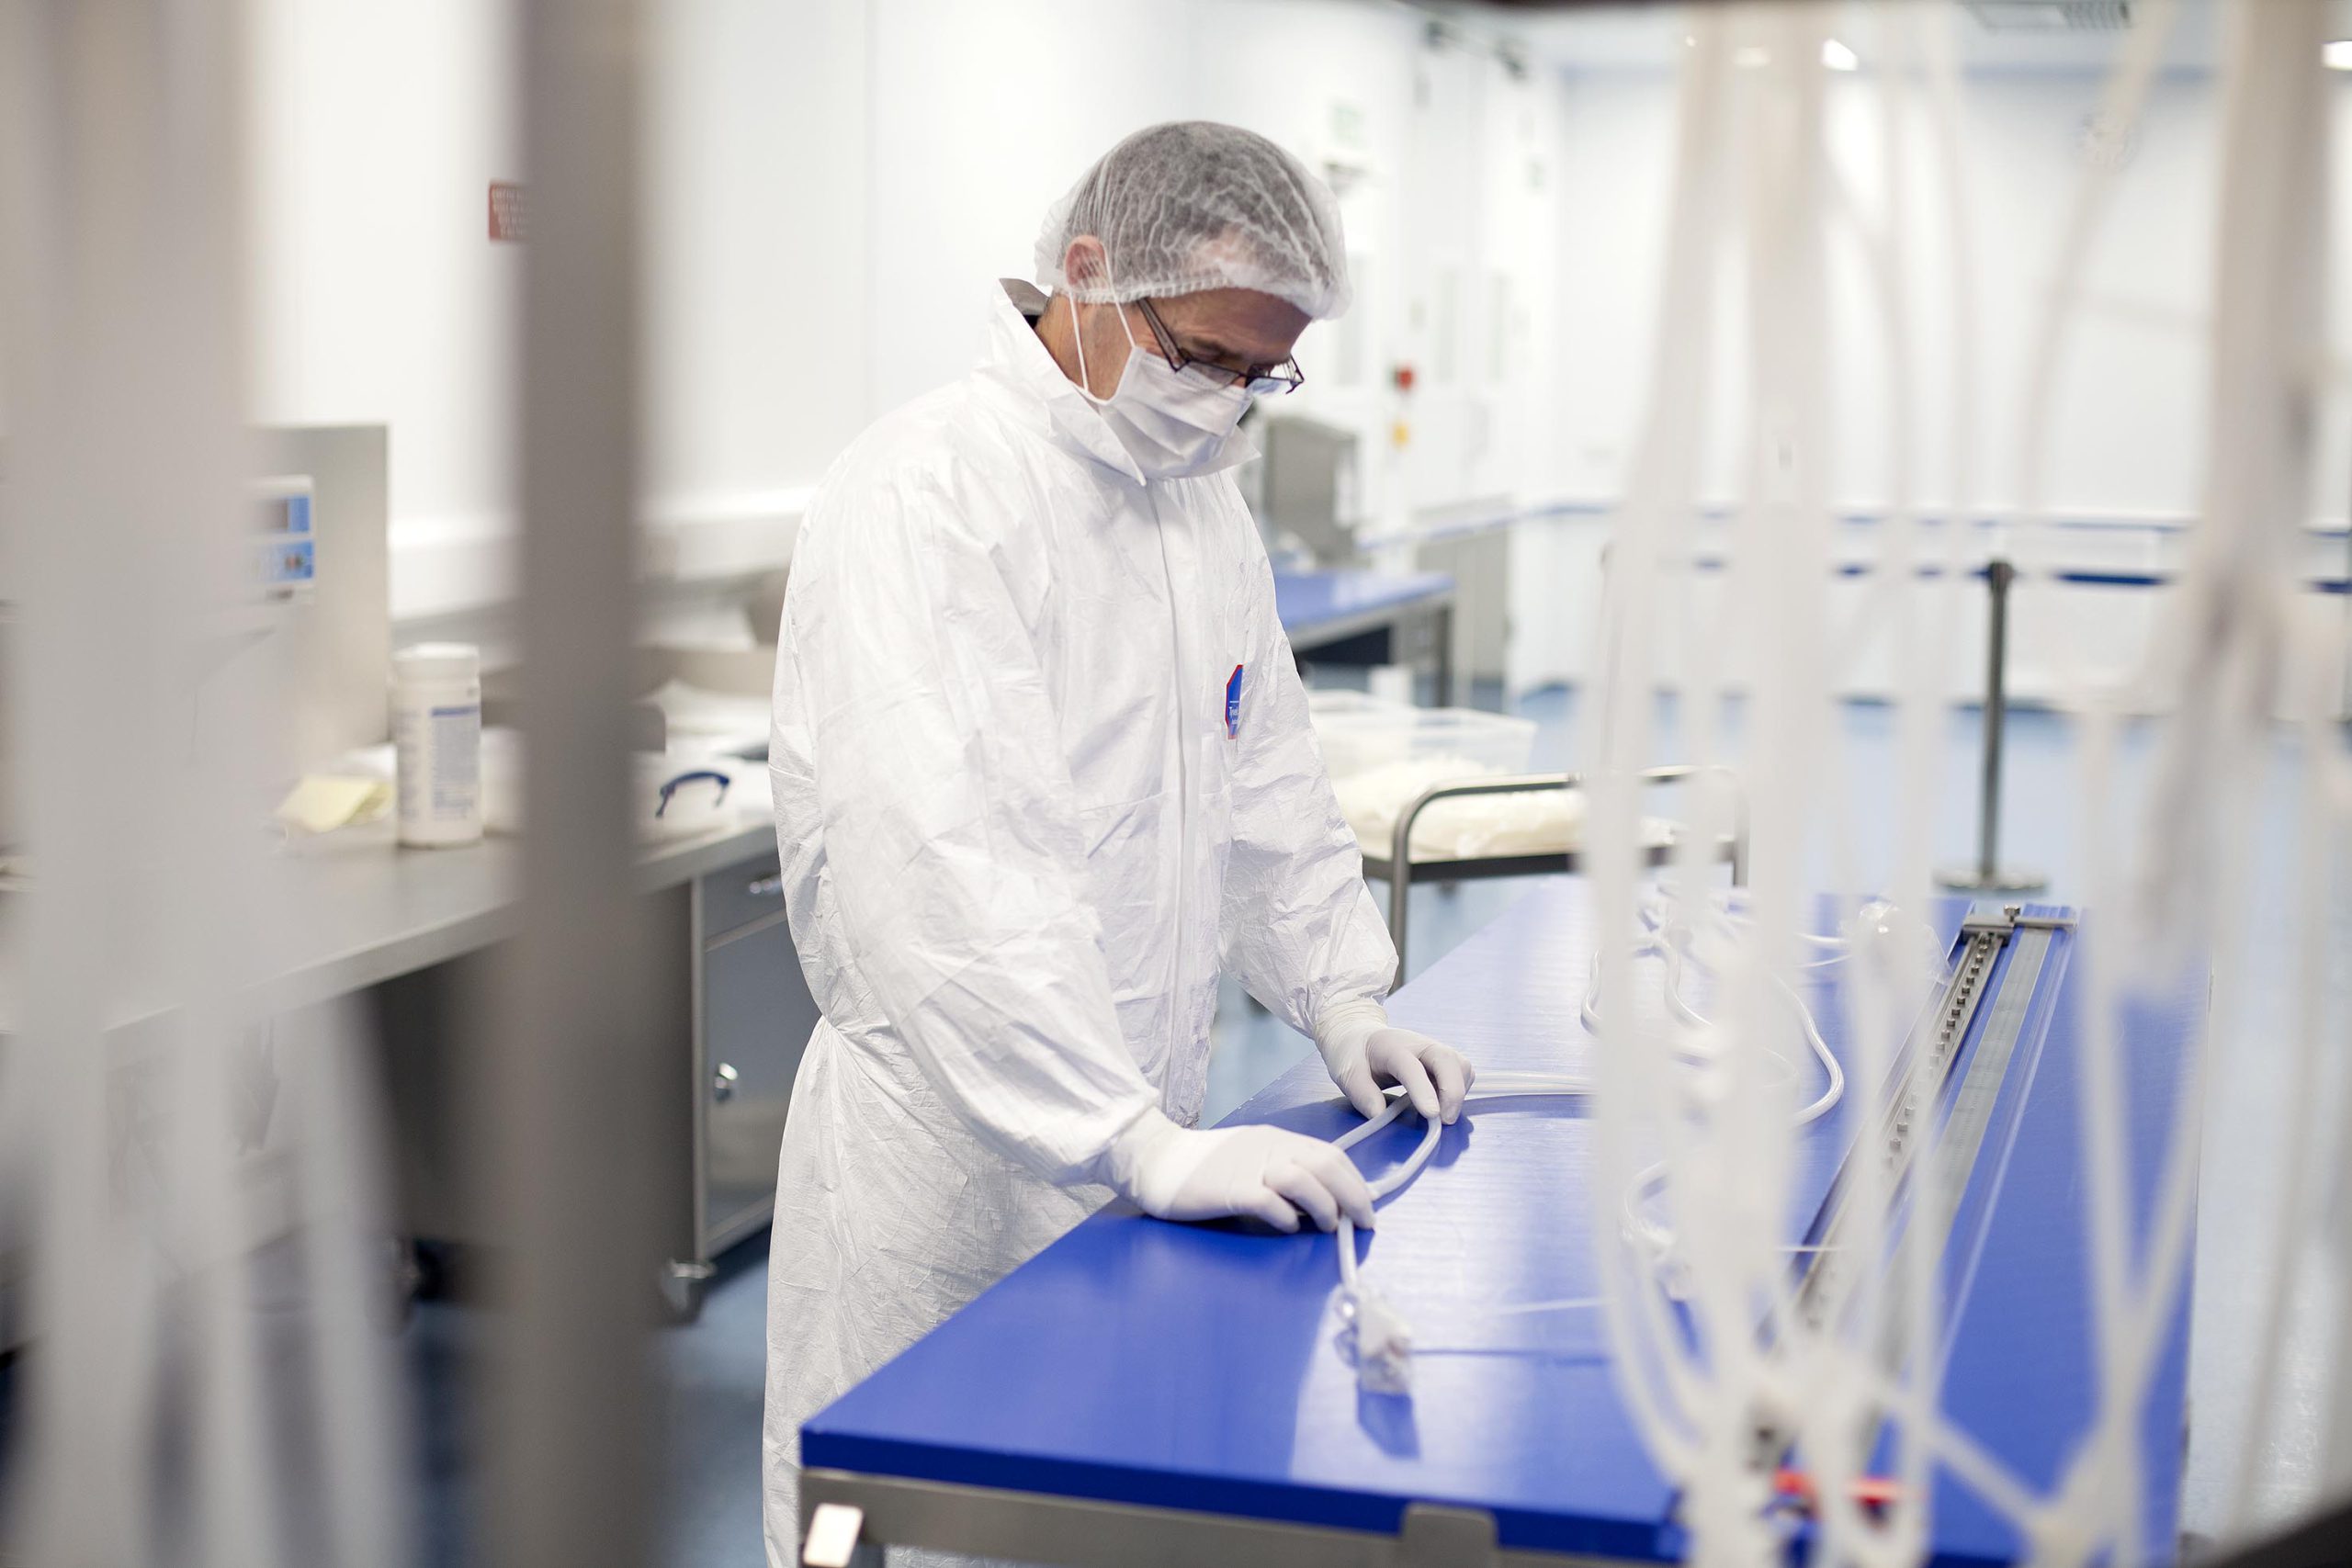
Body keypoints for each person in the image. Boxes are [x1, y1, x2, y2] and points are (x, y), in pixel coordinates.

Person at [760, 120, 1473, 1567]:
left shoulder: (1194, 505)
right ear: (1088, 272)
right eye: (1203, 356)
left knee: (1100, 1516)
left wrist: (1343, 998)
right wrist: (1123, 1136)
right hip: (953, 1161)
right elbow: (948, 870)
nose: (1224, 404)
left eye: (1261, 376)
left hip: (1144, 1126)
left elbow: (1263, 776)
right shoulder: (929, 493)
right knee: (935, 1523)